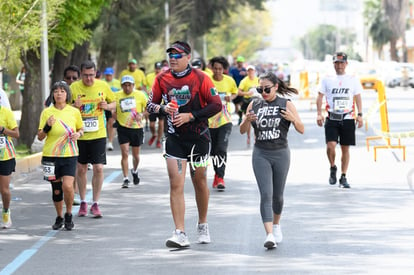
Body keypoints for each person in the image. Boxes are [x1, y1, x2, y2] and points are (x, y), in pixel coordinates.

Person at [146, 41, 221, 248]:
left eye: (178, 55)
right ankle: (180, 232)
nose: (173, 58)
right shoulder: (162, 79)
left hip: (198, 137)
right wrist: (164, 109)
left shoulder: (201, 78)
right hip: (174, 138)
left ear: (188, 57)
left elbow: (217, 105)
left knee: (199, 180)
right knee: (175, 183)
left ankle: (203, 224)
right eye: (171, 55)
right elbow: (150, 105)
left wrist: (191, 116)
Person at [240, 71, 304, 249]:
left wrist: (293, 119)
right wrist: (246, 120)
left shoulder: (286, 104)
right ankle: (269, 234)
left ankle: (276, 225)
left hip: (281, 153)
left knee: (278, 196)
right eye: (260, 89)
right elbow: (242, 130)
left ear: (276, 87)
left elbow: (301, 129)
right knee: (266, 194)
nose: (263, 92)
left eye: (267, 89)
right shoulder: (254, 104)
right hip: (261, 153)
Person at [71, 60, 116, 218]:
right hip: (80, 134)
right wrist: (73, 106)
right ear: (81, 74)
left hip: (98, 134)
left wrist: (108, 107)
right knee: (81, 169)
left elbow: (114, 103)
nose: (89, 79)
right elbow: (64, 107)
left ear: (96, 74)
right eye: (85, 76)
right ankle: (83, 201)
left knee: (98, 168)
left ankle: (95, 203)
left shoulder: (103, 86)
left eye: (91, 75)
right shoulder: (74, 88)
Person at [37, 81, 83, 230]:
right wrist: (47, 126)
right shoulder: (46, 112)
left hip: (69, 154)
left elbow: (81, 129)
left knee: (68, 186)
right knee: (56, 189)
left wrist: (78, 134)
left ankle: (69, 213)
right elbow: (40, 136)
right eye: (56, 91)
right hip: (50, 156)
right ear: (52, 94)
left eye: (62, 91)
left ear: (67, 94)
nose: (59, 94)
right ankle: (59, 216)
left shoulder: (74, 111)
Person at [316, 52, 363, 189]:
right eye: (337, 63)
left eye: (342, 63)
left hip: (347, 117)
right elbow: (319, 97)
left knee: (345, 148)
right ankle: (332, 167)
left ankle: (343, 176)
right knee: (331, 145)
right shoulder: (327, 79)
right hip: (332, 117)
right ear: (333, 64)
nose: (339, 65)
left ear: (346, 64)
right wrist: (319, 114)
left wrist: (360, 114)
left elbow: (358, 97)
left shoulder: (353, 79)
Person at [208, 56, 238, 190]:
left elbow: (235, 92)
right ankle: (217, 173)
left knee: (221, 148)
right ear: (212, 68)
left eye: (220, 69)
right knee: (213, 151)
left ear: (224, 69)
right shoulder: (207, 81)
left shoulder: (229, 81)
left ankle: (220, 177)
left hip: (225, 120)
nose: (218, 71)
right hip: (209, 121)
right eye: (215, 68)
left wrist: (230, 97)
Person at [113, 75, 147, 188]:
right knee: (125, 152)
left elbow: (149, 109)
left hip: (137, 128)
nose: (127, 88)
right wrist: (114, 114)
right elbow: (113, 108)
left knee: (136, 156)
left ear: (133, 85)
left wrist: (142, 114)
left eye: (129, 85)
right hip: (123, 128)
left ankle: (135, 170)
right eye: (125, 85)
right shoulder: (117, 95)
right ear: (122, 86)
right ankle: (125, 178)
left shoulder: (140, 95)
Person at [0, 105, 19, 229]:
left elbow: (16, 134)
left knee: (4, 190)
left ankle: (6, 211)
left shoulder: (6, 112)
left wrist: (2, 129)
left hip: (5, 156)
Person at [238, 65, 259, 145]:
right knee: (249, 120)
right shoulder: (244, 81)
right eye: (249, 71)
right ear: (247, 72)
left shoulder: (258, 80)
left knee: (256, 119)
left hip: (257, 101)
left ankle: (256, 137)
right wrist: (247, 93)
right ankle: (248, 136)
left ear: (254, 71)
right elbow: (239, 92)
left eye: (252, 71)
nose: (250, 72)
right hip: (247, 101)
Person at [146, 62, 165, 149]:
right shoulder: (149, 76)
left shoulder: (165, 77)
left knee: (161, 123)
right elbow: (146, 88)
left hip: (162, 104)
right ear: (155, 69)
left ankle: (158, 140)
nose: (158, 70)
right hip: (153, 103)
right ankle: (154, 134)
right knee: (152, 125)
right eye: (156, 68)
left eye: (159, 68)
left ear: (161, 69)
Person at [103, 67, 121, 151]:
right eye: (107, 75)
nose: (108, 77)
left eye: (109, 75)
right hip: (103, 105)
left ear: (112, 75)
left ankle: (110, 142)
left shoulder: (117, 83)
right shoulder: (102, 82)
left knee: (111, 122)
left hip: (113, 105)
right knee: (105, 123)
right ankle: (105, 138)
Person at [229, 56, 247, 125]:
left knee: (241, 104)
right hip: (235, 89)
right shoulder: (233, 70)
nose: (240, 63)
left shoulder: (245, 70)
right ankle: (239, 116)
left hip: (242, 90)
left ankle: (241, 117)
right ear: (237, 63)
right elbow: (230, 77)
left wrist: (245, 74)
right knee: (236, 104)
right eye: (239, 62)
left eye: (241, 62)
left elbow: (247, 78)